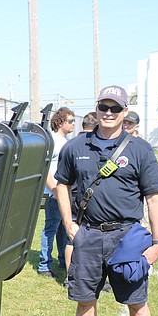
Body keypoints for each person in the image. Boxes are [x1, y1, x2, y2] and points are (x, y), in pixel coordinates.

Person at [55, 85, 158, 316]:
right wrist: (68, 223)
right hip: (88, 235)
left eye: (115, 108)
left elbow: (155, 197)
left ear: (124, 113)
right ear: (97, 108)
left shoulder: (139, 150)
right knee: (84, 300)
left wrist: (157, 244)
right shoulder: (76, 146)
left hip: (126, 237)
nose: (108, 112)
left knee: (137, 302)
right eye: (104, 106)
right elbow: (61, 184)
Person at [37, 106, 75, 278]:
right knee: (50, 228)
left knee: (63, 227)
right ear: (60, 122)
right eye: (70, 121)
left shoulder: (66, 142)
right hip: (54, 194)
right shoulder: (52, 140)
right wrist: (54, 190)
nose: (74, 124)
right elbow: (43, 168)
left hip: (64, 194)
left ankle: (62, 259)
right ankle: (44, 264)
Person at [63, 111, 99, 274]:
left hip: (72, 198)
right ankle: (73, 276)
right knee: (75, 239)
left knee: (72, 239)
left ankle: (70, 276)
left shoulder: (71, 143)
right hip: (81, 200)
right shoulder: (80, 145)